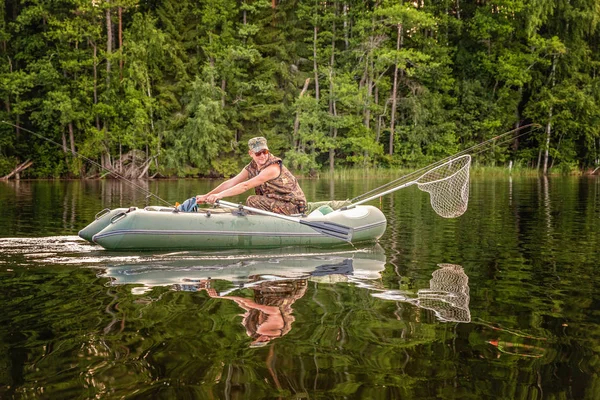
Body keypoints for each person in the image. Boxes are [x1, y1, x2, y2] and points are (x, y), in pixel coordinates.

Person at [196, 137, 307, 215]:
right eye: (258, 153)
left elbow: (245, 186)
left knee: (252, 200)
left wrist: (220, 195)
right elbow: (231, 182)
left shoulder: (273, 167)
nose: (262, 156)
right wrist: (206, 196)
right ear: (251, 153)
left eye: (265, 152)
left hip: (294, 207)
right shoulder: (252, 167)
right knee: (253, 202)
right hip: (277, 203)